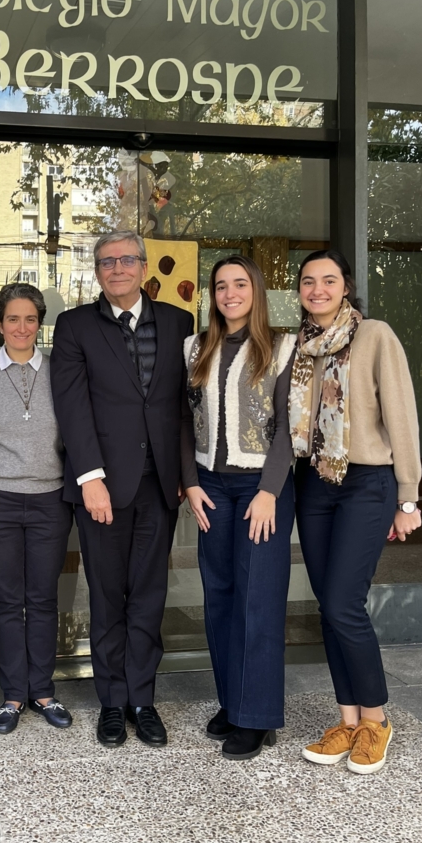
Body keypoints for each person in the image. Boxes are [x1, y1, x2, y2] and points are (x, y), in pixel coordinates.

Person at [50, 230, 193, 747]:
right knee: (108, 595)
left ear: (143, 265)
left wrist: (185, 477)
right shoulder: (73, 326)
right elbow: (72, 407)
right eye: (107, 262)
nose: (117, 269)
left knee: (150, 596)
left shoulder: (180, 324)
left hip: (160, 486)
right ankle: (112, 701)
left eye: (126, 260)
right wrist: (90, 479)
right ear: (97, 270)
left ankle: (142, 699)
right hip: (102, 488)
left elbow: (182, 408)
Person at [291, 251, 422, 774]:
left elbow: (402, 415)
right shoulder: (300, 347)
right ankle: (347, 721)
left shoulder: (374, 336)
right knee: (328, 605)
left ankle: (376, 722)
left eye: (329, 280)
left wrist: (407, 497)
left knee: (345, 603)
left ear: (346, 286)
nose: (318, 289)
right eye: (308, 281)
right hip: (314, 484)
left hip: (366, 482)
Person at [182, 256, 296, 761]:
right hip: (210, 486)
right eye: (221, 286)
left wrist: (270, 490)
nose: (229, 293)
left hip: (261, 490)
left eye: (239, 284)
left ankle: (258, 717)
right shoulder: (195, 347)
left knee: (259, 600)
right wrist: (188, 483)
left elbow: (293, 426)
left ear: (256, 290)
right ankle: (234, 703)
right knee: (221, 596)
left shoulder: (284, 347)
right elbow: (179, 422)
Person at [0, 283, 74, 735]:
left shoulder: (61, 371)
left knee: (44, 598)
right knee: (6, 600)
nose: (21, 327)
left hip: (50, 497)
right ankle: (12, 695)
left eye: (30, 319)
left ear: (40, 323)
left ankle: (43, 691)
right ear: (0, 323)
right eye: (12, 319)